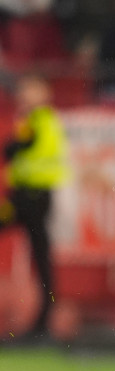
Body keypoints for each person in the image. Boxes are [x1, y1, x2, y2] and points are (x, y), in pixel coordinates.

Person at [2, 74, 69, 339]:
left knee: (41, 255)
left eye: (30, 89)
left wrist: (12, 146)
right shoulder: (33, 120)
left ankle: (45, 318)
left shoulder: (40, 119)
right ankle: (44, 317)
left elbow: (17, 147)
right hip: (22, 197)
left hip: (34, 197)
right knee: (41, 255)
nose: (24, 94)